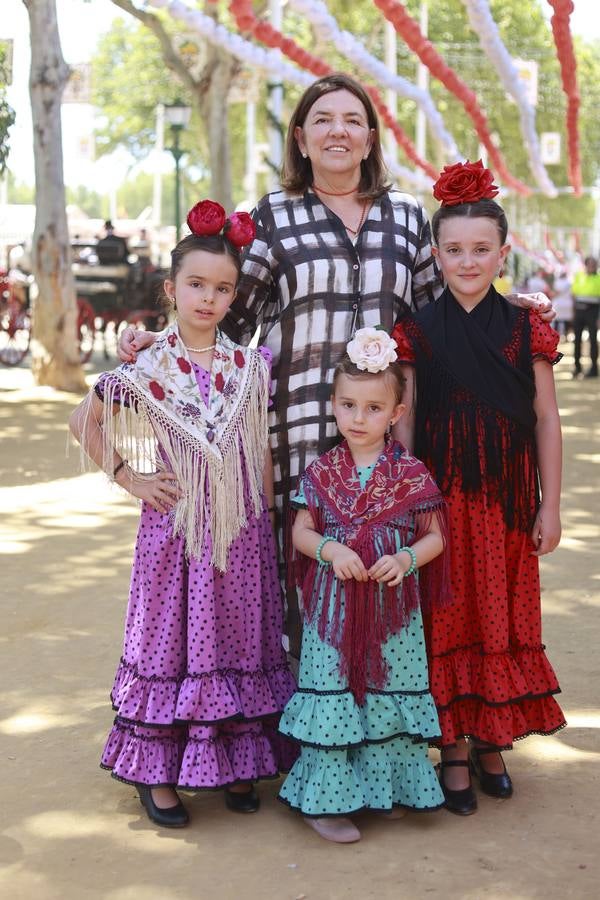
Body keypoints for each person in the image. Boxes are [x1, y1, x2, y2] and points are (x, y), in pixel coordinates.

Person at [117, 74, 553, 655]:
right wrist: (161, 338)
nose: (337, 131)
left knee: (386, 550)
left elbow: (437, 309)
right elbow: (231, 315)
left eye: (352, 120)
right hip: (294, 420)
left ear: (370, 139)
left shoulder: (404, 216)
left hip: (388, 426)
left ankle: (380, 705)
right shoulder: (273, 216)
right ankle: (307, 708)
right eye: (322, 120)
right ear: (301, 138)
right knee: (301, 547)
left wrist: (509, 302)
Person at [69, 201, 296, 828]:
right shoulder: (148, 365)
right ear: (172, 289)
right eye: (196, 284)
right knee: (174, 642)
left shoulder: (251, 367)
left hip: (242, 530)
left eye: (222, 289)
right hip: (175, 533)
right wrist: (130, 476)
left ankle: (237, 758)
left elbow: (259, 454)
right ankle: (157, 771)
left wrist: (270, 519)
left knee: (236, 637)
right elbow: (84, 419)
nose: (208, 298)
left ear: (233, 298)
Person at [392, 161, 566, 816]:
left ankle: (493, 739)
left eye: (481, 249)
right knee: (446, 615)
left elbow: (547, 418)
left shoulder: (527, 326)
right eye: (455, 250)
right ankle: (454, 750)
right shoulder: (416, 327)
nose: (468, 261)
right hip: (440, 501)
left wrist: (554, 503)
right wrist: (407, 500)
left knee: (502, 613)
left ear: (503, 251)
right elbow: (404, 417)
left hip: (507, 501)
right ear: (437, 254)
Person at [278, 328, 449, 842]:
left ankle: (380, 788)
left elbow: (436, 537)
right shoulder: (321, 472)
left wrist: (405, 558)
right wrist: (331, 550)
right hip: (333, 613)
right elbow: (300, 531)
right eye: (348, 405)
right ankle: (325, 800)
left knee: (385, 693)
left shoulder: (411, 474)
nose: (358, 418)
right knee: (334, 691)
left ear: (396, 413)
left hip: (393, 610)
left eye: (373, 408)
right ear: (332, 404)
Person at [571, 256, 600, 377]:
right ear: (586, 265)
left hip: (593, 311)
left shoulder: (598, 278)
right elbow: (573, 295)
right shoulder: (578, 276)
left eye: (595, 264)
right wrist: (573, 312)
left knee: (593, 340)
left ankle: (594, 368)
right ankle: (577, 368)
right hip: (579, 311)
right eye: (590, 264)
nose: (593, 266)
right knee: (577, 340)